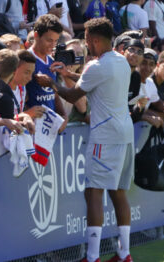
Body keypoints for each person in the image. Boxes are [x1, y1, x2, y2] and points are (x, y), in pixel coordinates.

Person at [35, 18, 135, 262]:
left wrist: (53, 83)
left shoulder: (96, 66)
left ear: (96, 40)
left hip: (105, 135)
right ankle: (124, 254)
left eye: (88, 40)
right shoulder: (121, 62)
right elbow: (94, 80)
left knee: (93, 192)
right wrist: (67, 73)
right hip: (125, 133)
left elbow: (72, 93)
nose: (87, 44)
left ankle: (92, 257)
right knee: (119, 192)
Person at [25, 15, 67, 130]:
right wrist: (27, 113)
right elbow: (18, 93)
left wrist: (64, 116)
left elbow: (54, 94)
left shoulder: (52, 62)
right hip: (31, 127)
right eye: (49, 40)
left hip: (49, 128)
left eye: (56, 41)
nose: (53, 45)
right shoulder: (25, 60)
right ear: (36, 35)